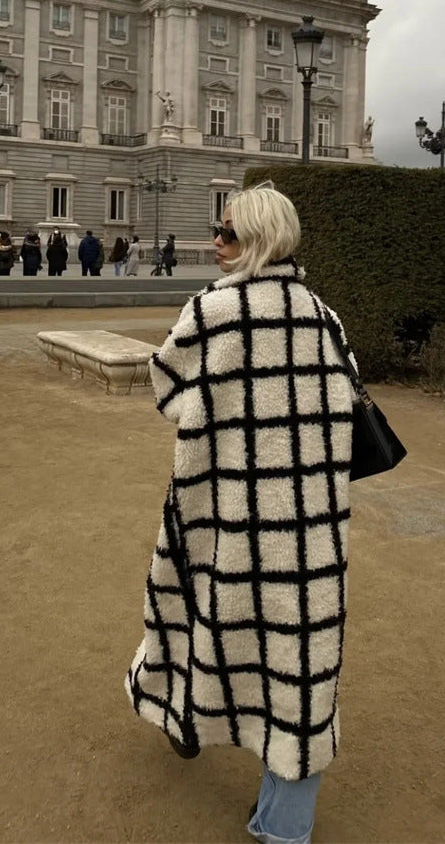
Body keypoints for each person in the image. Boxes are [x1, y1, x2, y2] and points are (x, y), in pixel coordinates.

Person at [126, 185, 355, 844]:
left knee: (194, 615)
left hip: (220, 509)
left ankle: (182, 716)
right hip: (309, 528)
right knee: (298, 664)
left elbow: (166, 386)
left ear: (254, 240)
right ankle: (285, 824)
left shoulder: (212, 312)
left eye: (224, 233)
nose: (214, 242)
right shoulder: (322, 317)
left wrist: (223, 419)